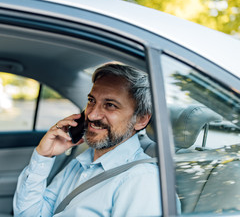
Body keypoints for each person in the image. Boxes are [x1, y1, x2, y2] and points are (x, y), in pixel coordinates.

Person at [13, 63, 162, 216]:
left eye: (110, 105)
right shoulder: (81, 163)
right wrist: (43, 156)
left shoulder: (142, 180)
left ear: (141, 119)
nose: (91, 115)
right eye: (91, 101)